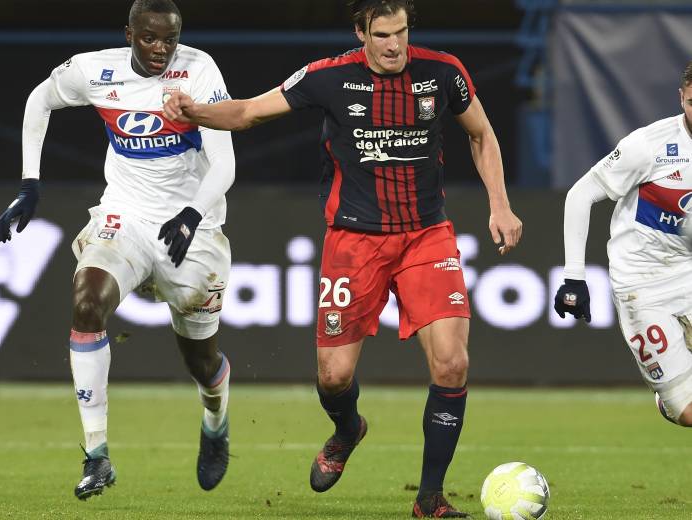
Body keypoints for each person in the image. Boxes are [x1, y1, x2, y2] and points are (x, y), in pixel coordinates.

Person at [164, 0, 522, 516]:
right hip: (354, 242)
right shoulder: (327, 77)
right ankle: (348, 429)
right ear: (361, 33)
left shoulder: (443, 72)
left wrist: (500, 205)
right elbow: (246, 112)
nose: (395, 45)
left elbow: (481, 133)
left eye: (401, 32)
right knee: (333, 377)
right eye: (382, 35)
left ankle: (429, 498)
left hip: (426, 237)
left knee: (452, 363)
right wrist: (194, 112)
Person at [0, 0, 236, 500]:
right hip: (124, 216)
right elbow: (39, 99)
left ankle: (215, 420)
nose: (161, 49)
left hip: (192, 226)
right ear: (129, 34)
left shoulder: (198, 71)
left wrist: (192, 215)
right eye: (149, 38)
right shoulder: (94, 70)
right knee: (87, 303)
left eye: (169, 39)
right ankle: (97, 455)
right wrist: (29, 183)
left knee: (200, 359)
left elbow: (224, 163)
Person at [555, 61, 692, 427]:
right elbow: (580, 194)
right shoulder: (648, 146)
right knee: (687, 412)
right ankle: (670, 402)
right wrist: (574, 277)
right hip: (642, 283)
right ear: (681, 98)